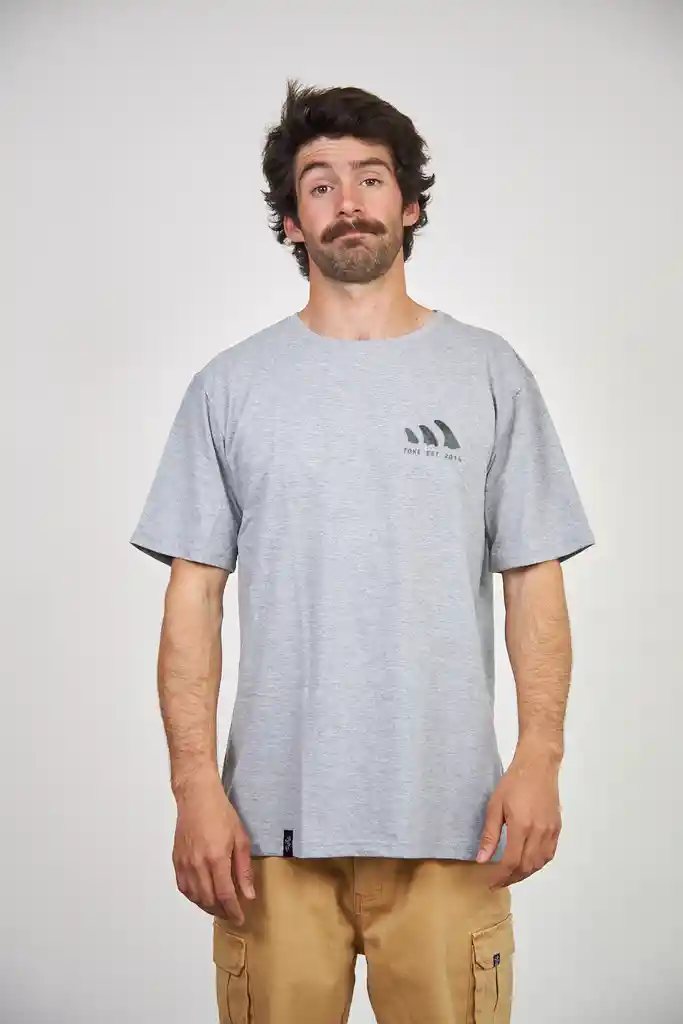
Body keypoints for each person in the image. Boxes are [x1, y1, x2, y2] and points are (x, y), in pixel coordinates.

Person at [129, 79, 596, 1024]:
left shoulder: (488, 372)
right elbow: (192, 596)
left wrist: (540, 755)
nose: (347, 200)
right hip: (267, 836)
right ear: (291, 223)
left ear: (409, 205)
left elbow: (532, 577)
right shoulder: (229, 387)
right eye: (319, 185)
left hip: (453, 826)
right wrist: (193, 787)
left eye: (371, 178)